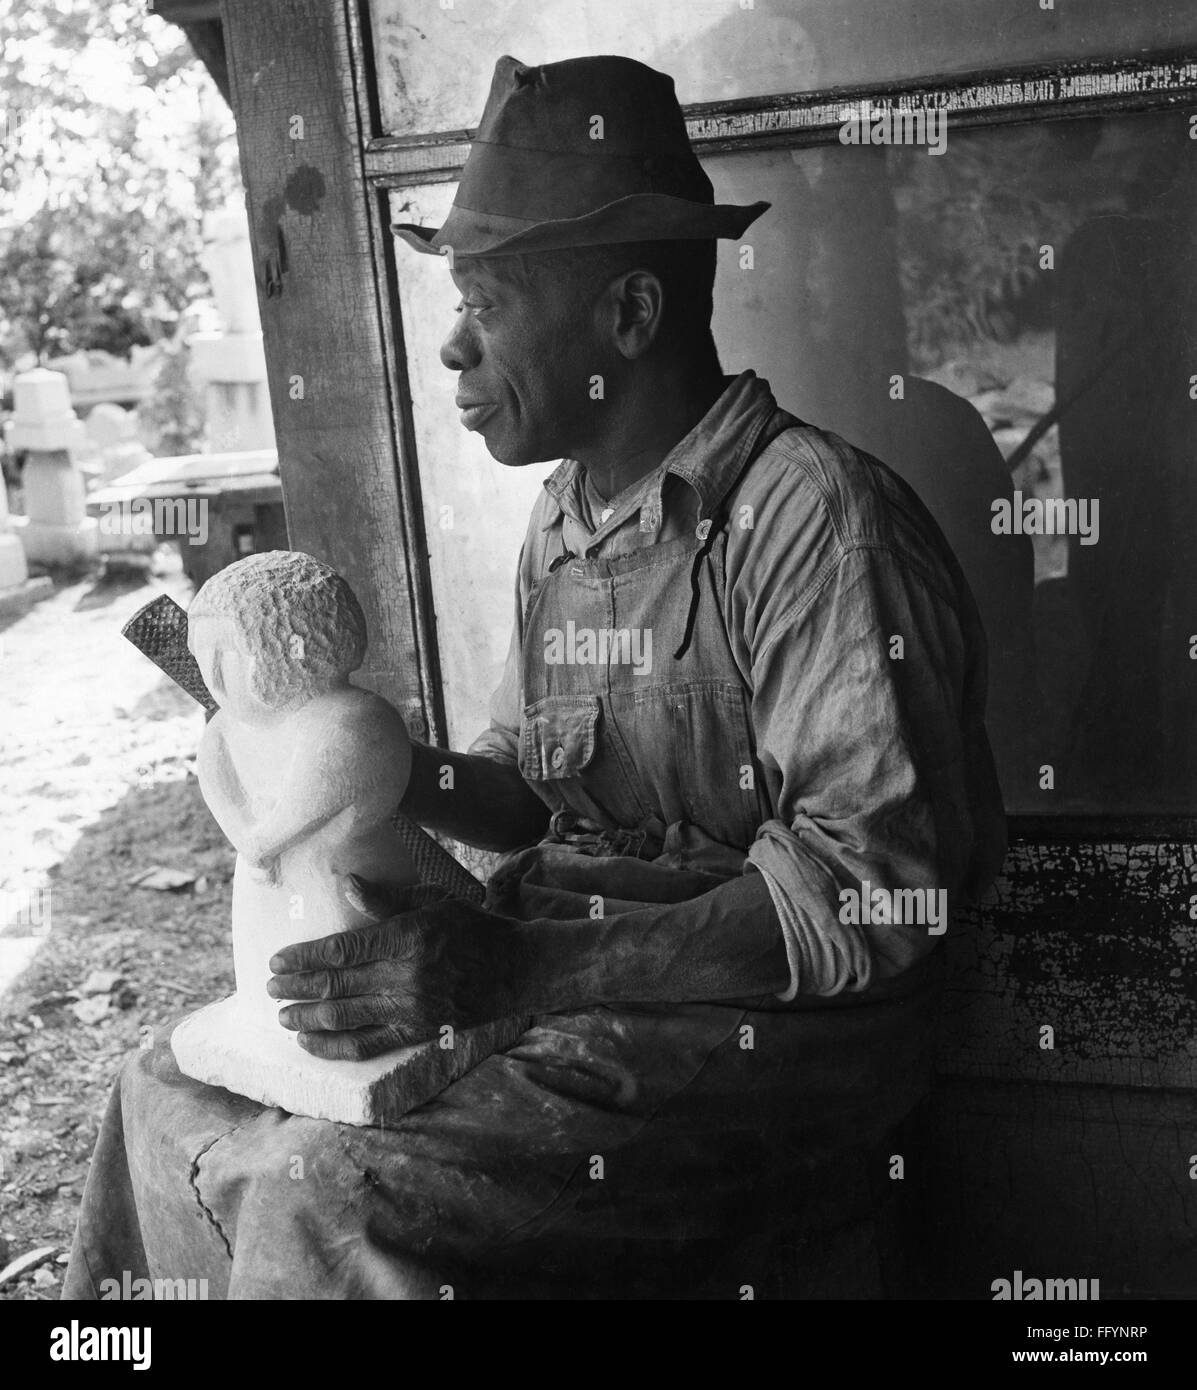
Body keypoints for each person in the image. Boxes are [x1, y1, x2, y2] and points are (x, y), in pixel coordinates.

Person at [64, 53, 1006, 1301]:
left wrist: (523, 975)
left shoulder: (818, 522)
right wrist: (368, 764)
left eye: (489, 304)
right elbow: (522, 791)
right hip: (574, 964)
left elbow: (873, 894)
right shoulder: (567, 520)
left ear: (628, 317)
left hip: (774, 1031)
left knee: (324, 1187)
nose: (452, 347)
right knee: (165, 1087)